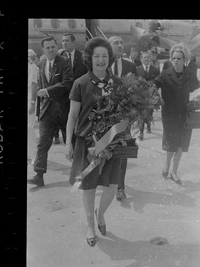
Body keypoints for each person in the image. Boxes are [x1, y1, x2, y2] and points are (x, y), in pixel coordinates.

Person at [65, 37, 122, 247]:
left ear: (110, 58)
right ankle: (90, 225)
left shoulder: (118, 83)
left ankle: (100, 215)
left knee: (112, 186)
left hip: (112, 144)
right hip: (87, 144)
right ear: (90, 59)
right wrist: (69, 144)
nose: (100, 60)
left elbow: (124, 114)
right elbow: (72, 116)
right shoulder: (80, 83)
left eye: (104, 56)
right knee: (87, 187)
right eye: (96, 56)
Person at [28, 36, 74, 187]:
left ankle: (80, 173)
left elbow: (67, 83)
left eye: (53, 46)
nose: (51, 49)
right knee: (42, 143)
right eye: (47, 47)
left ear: (56, 46)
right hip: (47, 111)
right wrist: (38, 109)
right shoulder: (40, 63)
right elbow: (39, 86)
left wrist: (47, 91)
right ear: (43, 50)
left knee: (71, 141)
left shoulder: (65, 61)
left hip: (64, 110)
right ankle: (39, 175)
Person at [153, 43, 199, 184]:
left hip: (185, 115)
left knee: (181, 144)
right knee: (170, 143)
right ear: (171, 59)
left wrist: (197, 99)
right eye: (174, 58)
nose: (176, 61)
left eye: (179, 58)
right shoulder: (166, 73)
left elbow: (197, 91)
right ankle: (167, 164)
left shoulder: (190, 74)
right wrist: (155, 95)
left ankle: (174, 172)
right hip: (170, 115)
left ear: (184, 59)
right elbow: (154, 84)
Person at [108, 36, 137, 201]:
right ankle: (107, 182)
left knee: (123, 150)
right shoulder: (102, 64)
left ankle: (120, 187)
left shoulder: (130, 65)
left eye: (121, 42)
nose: (120, 45)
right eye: (116, 43)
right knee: (105, 148)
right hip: (105, 115)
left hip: (124, 116)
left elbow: (136, 90)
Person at [54, 33, 88, 145]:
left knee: (79, 122)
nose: (64, 43)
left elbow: (87, 75)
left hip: (79, 97)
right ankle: (69, 145)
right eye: (63, 41)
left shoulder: (82, 57)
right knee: (64, 122)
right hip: (64, 97)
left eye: (67, 41)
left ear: (74, 42)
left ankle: (78, 146)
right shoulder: (58, 57)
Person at [136, 50, 160, 140]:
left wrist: (153, 87)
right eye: (144, 57)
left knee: (149, 112)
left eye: (148, 57)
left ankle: (149, 125)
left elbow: (158, 81)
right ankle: (141, 132)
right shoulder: (137, 69)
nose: (146, 59)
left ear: (150, 58)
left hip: (151, 95)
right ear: (141, 59)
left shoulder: (155, 70)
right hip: (140, 95)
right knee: (141, 113)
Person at [28, 49, 39, 165]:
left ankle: (34, 155)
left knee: (29, 128)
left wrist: (32, 102)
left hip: (29, 97)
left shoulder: (32, 66)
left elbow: (34, 84)